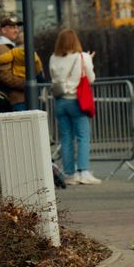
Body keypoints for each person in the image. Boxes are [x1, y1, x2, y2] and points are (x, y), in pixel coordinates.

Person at [48, 27, 99, 184]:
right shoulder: (82, 56)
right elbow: (90, 78)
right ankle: (83, 171)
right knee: (83, 136)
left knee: (66, 138)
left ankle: (69, 174)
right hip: (76, 101)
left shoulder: (53, 58)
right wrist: (89, 61)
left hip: (60, 101)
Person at [0, 15, 44, 109]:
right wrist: (27, 83)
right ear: (3, 30)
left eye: (17, 27)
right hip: (15, 99)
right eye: (12, 28)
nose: (16, 30)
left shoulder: (9, 47)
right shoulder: (3, 48)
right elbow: (6, 78)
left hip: (19, 98)